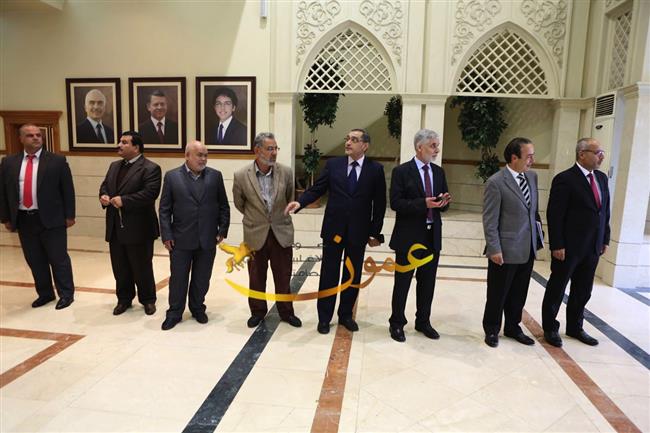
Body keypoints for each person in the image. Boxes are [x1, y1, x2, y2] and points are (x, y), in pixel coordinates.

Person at [285, 129, 386, 334]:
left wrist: (375, 232)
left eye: (354, 140)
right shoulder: (334, 165)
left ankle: (346, 315)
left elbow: (380, 203)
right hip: (333, 230)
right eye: (347, 138)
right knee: (329, 274)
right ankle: (324, 318)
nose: (348, 142)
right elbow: (318, 189)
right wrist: (300, 202)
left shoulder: (375, 169)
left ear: (365, 145)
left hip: (358, 231)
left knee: (352, 275)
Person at [542, 138, 610, 347]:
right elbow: (555, 215)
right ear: (582, 154)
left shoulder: (601, 178)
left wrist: (605, 238)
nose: (601, 156)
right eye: (597, 152)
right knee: (557, 288)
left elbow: (604, 212)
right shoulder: (565, 179)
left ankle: (575, 326)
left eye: (601, 152)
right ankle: (550, 328)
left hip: (593, 246)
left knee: (583, 290)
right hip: (569, 247)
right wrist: (557, 244)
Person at [0, 124, 76, 309]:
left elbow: (67, 190)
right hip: (24, 218)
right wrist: (6, 218)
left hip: (52, 218)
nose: (35, 138)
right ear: (21, 139)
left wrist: (69, 215)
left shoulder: (57, 161)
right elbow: (3, 192)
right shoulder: (9, 162)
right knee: (34, 259)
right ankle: (45, 294)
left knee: (58, 258)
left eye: (38, 135)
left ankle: (66, 294)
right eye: (30, 135)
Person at [158, 140, 230, 330]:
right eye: (199, 155)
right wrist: (166, 234)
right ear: (187, 156)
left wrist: (222, 230)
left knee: (202, 278)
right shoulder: (172, 177)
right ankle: (174, 313)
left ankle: (198, 308)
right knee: (178, 278)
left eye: (206, 155)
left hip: (207, 238)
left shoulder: (215, 176)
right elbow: (164, 209)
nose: (203, 159)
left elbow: (223, 205)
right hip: (180, 239)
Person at [233, 132, 301, 328]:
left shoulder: (286, 172)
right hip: (255, 233)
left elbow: (290, 198)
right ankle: (257, 312)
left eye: (275, 148)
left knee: (283, 276)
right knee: (256, 276)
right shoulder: (241, 175)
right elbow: (239, 203)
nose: (274, 153)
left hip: (281, 232)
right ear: (257, 150)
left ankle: (286, 312)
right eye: (270, 149)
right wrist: (258, 218)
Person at [388, 129, 450, 343]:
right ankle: (397, 323)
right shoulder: (402, 171)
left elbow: (443, 204)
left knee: (427, 283)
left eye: (437, 145)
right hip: (409, 237)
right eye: (433, 146)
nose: (437, 150)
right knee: (403, 283)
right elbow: (396, 203)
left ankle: (423, 321)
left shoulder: (439, 172)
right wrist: (423, 203)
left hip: (432, 236)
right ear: (419, 147)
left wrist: (443, 202)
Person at [482, 137, 543, 348]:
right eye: (529, 156)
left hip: (527, 247)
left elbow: (533, 211)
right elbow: (490, 220)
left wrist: (538, 238)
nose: (532, 160)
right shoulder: (496, 182)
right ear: (514, 157)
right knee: (497, 294)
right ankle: (492, 329)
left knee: (519, 292)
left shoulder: (532, 177)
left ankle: (513, 326)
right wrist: (494, 249)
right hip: (505, 249)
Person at [99, 131, 161, 316]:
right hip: (115, 227)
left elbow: (150, 194)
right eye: (120, 141)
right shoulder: (114, 166)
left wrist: (124, 200)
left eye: (124, 142)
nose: (119, 145)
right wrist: (103, 196)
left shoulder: (150, 168)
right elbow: (105, 185)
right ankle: (124, 299)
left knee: (142, 267)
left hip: (139, 228)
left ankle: (148, 300)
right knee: (120, 267)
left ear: (136, 147)